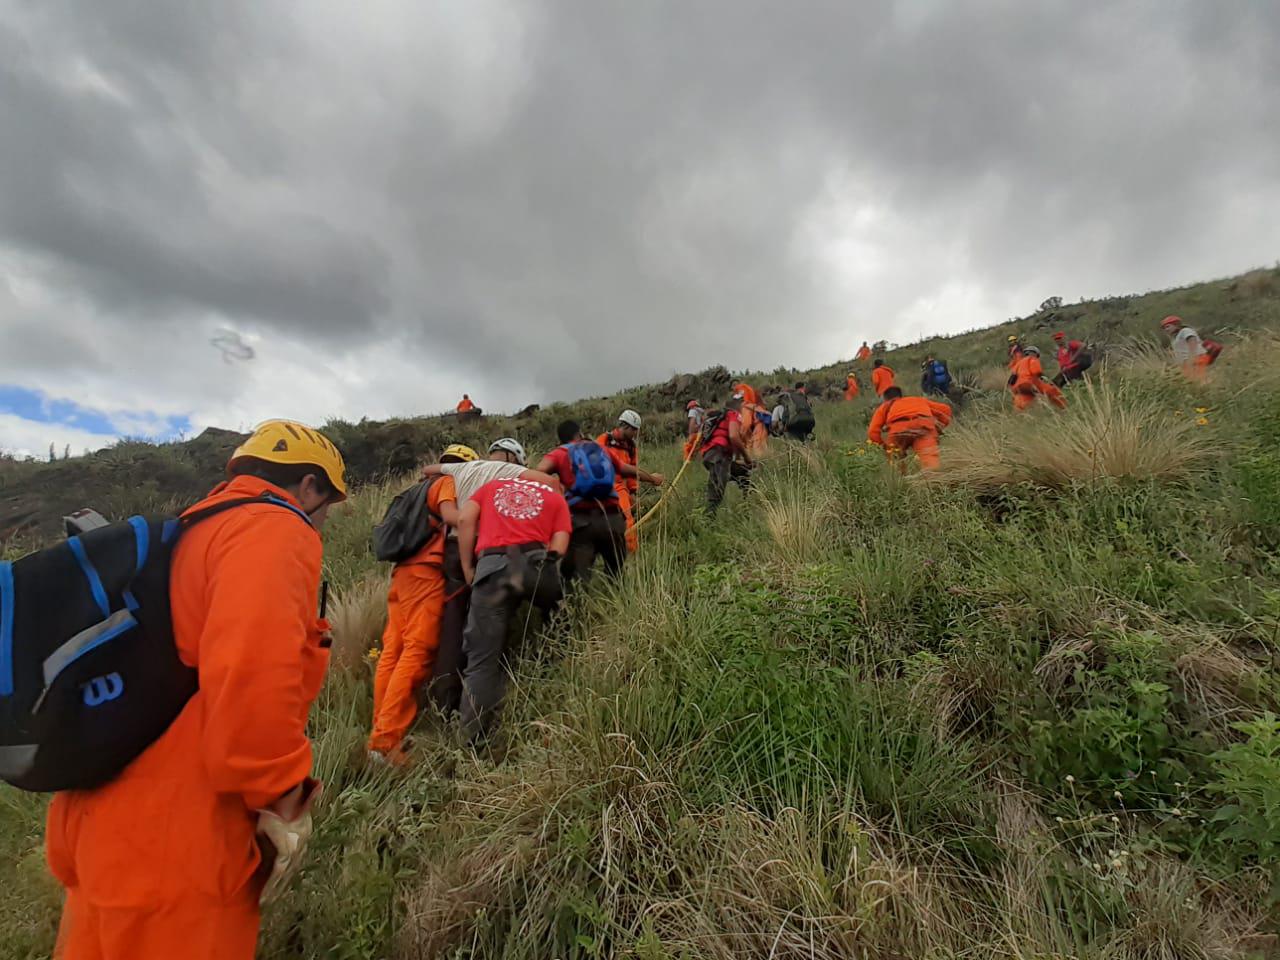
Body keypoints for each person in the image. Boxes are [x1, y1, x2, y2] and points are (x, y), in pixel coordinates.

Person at [46, 420, 347, 960]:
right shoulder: (273, 530)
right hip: (179, 841)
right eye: (329, 504)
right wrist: (283, 799)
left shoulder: (186, 532)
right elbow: (254, 675)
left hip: (97, 820)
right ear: (309, 486)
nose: (324, 520)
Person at [420, 439, 561, 717]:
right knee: (490, 629)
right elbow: (548, 481)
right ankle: (485, 694)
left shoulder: (463, 469)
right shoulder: (507, 471)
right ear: (513, 458)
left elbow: (428, 470)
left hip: (451, 552)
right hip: (483, 552)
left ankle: (445, 703)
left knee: (454, 626)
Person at [368, 444, 478, 765]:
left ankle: (380, 731)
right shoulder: (445, 484)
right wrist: (475, 513)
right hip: (426, 575)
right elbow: (452, 517)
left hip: (401, 576)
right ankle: (386, 741)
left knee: (392, 650)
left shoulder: (412, 491)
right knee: (418, 651)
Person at [455, 474, 571, 744]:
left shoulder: (491, 487)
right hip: (536, 563)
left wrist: (467, 567)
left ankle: (473, 745)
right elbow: (560, 544)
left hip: (492, 565)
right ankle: (558, 691)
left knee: (482, 662)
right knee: (560, 622)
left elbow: (463, 520)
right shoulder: (555, 496)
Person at [535, 421, 629, 584]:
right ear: (579, 433)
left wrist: (558, 490)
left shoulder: (559, 453)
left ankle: (578, 606)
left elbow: (538, 473)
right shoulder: (599, 448)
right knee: (616, 573)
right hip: (613, 519)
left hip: (581, 523)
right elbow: (623, 468)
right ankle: (620, 601)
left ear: (560, 439)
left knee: (577, 580)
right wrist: (653, 478)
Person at [597, 410, 665, 554]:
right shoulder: (605, 440)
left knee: (626, 519)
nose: (635, 433)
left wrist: (632, 492)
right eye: (634, 430)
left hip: (621, 488)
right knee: (622, 521)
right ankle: (625, 553)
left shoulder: (631, 447)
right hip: (604, 486)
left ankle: (629, 554)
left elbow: (633, 471)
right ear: (625, 426)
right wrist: (652, 479)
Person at [867, 387, 953, 470]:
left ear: (886, 399)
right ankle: (934, 480)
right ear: (901, 396)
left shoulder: (885, 406)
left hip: (898, 429)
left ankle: (901, 481)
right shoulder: (917, 400)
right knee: (929, 460)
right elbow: (946, 410)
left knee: (895, 461)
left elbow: (872, 431)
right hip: (923, 426)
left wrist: (883, 445)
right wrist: (938, 428)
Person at [702, 397, 753, 514]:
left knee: (742, 473)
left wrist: (739, 460)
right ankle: (706, 522)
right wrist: (747, 458)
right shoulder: (733, 414)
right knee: (716, 494)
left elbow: (731, 443)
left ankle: (746, 508)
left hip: (711, 455)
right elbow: (734, 437)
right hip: (718, 456)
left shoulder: (721, 418)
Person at [1009, 345, 1067, 411]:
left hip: (1018, 387)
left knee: (1023, 399)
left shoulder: (1018, 363)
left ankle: (1018, 414)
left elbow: (1011, 379)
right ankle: (1064, 407)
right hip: (1030, 383)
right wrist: (1046, 379)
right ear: (1035, 353)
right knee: (1052, 390)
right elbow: (1037, 372)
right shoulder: (1033, 359)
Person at [1162, 315, 1213, 380]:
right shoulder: (1176, 338)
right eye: (1164, 328)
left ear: (1176, 325)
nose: (1166, 329)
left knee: (1199, 380)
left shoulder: (1185, 331)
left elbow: (1192, 341)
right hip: (1187, 362)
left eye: (1168, 326)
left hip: (1196, 359)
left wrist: (1191, 359)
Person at [733, 382, 769, 457]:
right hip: (761, 429)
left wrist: (740, 436)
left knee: (757, 455)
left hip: (756, 431)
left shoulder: (746, 407)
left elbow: (746, 424)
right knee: (762, 454)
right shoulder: (757, 405)